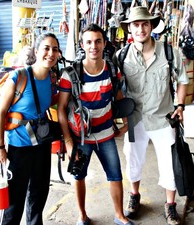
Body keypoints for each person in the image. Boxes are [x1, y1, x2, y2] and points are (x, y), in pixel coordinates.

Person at [116, 6, 189, 225]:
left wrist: (180, 105)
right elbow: (117, 86)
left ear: (151, 26)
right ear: (130, 28)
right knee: (133, 160)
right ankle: (134, 196)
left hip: (163, 118)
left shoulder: (168, 52)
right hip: (135, 119)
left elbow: (183, 80)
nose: (140, 29)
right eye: (136, 25)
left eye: (145, 24)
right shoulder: (121, 56)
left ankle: (170, 206)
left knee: (169, 163)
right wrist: (121, 112)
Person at [58, 24, 134, 225]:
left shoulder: (111, 69)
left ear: (104, 43)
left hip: (106, 134)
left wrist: (126, 123)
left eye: (98, 41)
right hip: (81, 137)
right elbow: (61, 109)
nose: (94, 46)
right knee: (78, 175)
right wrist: (67, 141)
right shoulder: (70, 74)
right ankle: (82, 215)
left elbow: (118, 94)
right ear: (82, 45)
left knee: (115, 174)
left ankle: (119, 215)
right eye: (89, 42)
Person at [0, 32, 60, 225]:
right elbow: (1, 112)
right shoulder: (19, 76)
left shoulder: (51, 79)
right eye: (46, 48)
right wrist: (0, 147)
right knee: (15, 198)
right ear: (37, 50)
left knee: (39, 194)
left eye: (55, 49)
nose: (51, 53)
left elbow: (46, 103)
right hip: (19, 147)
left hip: (41, 144)